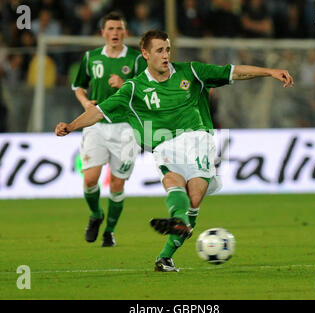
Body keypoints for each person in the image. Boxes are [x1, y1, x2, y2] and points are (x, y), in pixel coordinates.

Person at [56, 30, 294, 271]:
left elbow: (232, 71)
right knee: (173, 182)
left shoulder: (190, 71)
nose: (166, 55)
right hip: (163, 145)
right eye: (159, 50)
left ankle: (173, 237)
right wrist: (71, 126)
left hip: (196, 138)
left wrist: (269, 72)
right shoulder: (133, 89)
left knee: (194, 196)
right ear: (146, 54)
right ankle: (172, 241)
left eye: (168, 49)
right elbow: (99, 112)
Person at [71, 11, 147, 247]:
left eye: (119, 28)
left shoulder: (136, 59)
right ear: (103, 33)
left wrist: (125, 85)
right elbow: (78, 86)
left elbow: (147, 92)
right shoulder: (91, 57)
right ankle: (95, 215)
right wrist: (85, 103)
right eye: (111, 29)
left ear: (125, 32)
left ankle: (110, 231)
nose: (115, 33)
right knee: (90, 179)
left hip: (125, 129)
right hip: (96, 125)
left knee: (117, 184)